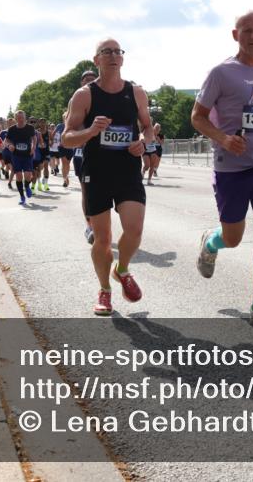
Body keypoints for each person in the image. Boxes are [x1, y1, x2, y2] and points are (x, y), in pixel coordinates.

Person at [192, 11, 253, 329]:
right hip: (230, 168)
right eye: (247, 31)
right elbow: (198, 116)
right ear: (236, 35)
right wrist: (223, 138)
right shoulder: (221, 73)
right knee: (233, 238)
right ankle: (212, 242)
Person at [63, 40, 153, 316]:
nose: (113, 56)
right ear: (96, 60)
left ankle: (122, 269)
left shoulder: (136, 92)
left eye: (118, 52)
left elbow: (148, 128)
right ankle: (105, 290)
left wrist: (142, 141)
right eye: (107, 52)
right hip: (97, 172)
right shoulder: (84, 95)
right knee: (103, 239)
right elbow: (67, 138)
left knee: (134, 229)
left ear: (122, 60)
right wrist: (90, 131)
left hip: (127, 170)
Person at [71, 70, 98, 242]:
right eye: (86, 80)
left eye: (92, 79)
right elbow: (70, 125)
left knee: (103, 191)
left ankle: (100, 225)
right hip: (82, 154)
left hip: (102, 154)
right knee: (86, 192)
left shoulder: (105, 98)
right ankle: (89, 226)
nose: (89, 82)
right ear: (81, 83)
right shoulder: (76, 99)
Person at [4, 112, 37, 205]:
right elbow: (7, 140)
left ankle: (27, 186)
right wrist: (9, 145)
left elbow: (34, 138)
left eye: (22, 117)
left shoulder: (30, 128)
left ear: (25, 118)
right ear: (15, 119)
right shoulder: (12, 129)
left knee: (28, 175)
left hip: (27, 155)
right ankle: (22, 197)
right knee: (18, 176)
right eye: (18, 118)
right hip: (16, 156)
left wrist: (33, 147)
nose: (20, 119)